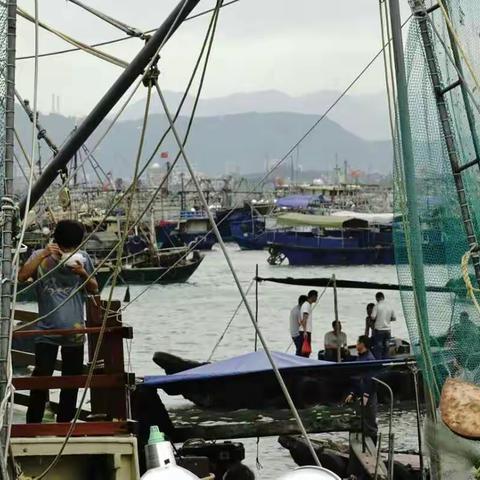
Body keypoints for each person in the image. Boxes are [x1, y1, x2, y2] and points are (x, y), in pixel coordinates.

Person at [18, 220, 98, 423]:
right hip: (46, 332)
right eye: (67, 247)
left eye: (74, 247)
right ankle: (33, 424)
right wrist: (45, 253)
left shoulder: (83, 258)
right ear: (58, 241)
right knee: (41, 381)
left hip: (75, 332)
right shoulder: (40, 256)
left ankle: (64, 424)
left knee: (70, 383)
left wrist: (83, 273)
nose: (70, 250)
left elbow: (94, 288)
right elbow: (22, 276)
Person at [345, 335, 378, 444]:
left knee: (370, 421)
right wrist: (353, 393)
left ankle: (372, 447)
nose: (356, 344)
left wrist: (365, 397)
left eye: (357, 342)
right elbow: (357, 378)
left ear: (362, 344)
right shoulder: (360, 357)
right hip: (361, 392)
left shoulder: (369, 359)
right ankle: (364, 444)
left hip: (368, 394)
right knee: (362, 420)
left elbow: (369, 381)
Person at [371, 292, 396, 359]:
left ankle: (378, 361)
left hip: (379, 329)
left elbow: (373, 317)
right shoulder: (390, 306)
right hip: (388, 329)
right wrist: (387, 319)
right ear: (383, 297)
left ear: (377, 298)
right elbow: (394, 318)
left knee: (378, 346)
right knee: (386, 346)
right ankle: (386, 360)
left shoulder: (376, 306)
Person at [299, 290, 319, 357]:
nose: (316, 298)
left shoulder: (308, 305)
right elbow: (304, 318)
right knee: (305, 351)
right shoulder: (306, 305)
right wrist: (305, 331)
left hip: (306, 330)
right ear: (313, 296)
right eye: (316, 297)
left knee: (306, 350)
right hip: (305, 331)